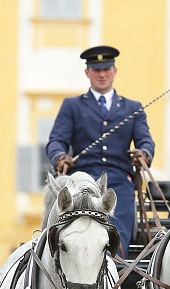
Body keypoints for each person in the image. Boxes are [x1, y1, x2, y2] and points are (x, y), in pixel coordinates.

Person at [46, 45, 155, 256]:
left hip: (119, 183)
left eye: (106, 69)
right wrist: (60, 156)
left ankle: (113, 271)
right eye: (97, 70)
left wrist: (144, 153)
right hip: (82, 180)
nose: (102, 74)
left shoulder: (133, 108)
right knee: (75, 232)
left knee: (116, 235)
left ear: (114, 71)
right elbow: (56, 140)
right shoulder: (72, 106)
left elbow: (146, 140)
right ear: (87, 72)